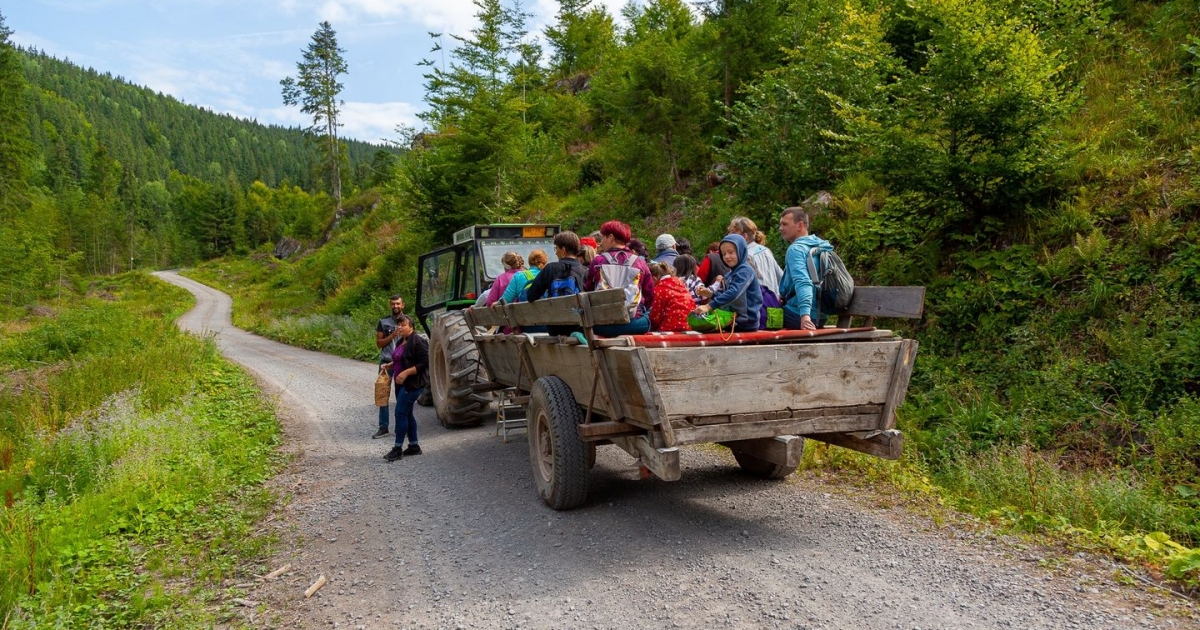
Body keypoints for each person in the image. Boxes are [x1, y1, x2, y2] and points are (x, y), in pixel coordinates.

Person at [584, 220, 656, 336]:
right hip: (634, 325)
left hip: (602, 326)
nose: (601, 242)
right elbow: (649, 296)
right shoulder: (640, 263)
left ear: (611, 238)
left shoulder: (598, 261)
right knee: (646, 315)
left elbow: (588, 290)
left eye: (603, 237)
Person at [778, 206, 834, 330]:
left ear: (800, 225)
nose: (780, 228)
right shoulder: (820, 245)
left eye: (785, 224)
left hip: (799, 315)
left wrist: (805, 316)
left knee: (756, 313)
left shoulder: (796, 249)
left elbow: (803, 282)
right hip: (821, 316)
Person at [527, 231, 589, 336]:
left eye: (556, 249)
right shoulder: (586, 271)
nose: (555, 252)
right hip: (580, 327)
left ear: (563, 250)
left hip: (556, 329)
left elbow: (531, 295)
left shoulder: (550, 268)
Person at [694, 235, 761, 332]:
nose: (727, 257)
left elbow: (734, 293)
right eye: (724, 254)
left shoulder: (745, 271)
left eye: (730, 252)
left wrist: (709, 306)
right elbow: (726, 295)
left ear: (740, 251)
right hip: (731, 319)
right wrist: (710, 294)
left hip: (745, 322)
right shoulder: (730, 273)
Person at [385, 315, 428, 461]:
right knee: (407, 413)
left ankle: (397, 449)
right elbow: (400, 358)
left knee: (400, 413)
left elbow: (424, 363)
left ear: (411, 327)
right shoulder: (400, 341)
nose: (400, 328)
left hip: (413, 384)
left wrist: (406, 372)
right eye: (399, 325)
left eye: (404, 325)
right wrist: (391, 365)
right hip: (401, 384)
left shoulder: (418, 342)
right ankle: (414, 446)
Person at [373, 295, 405, 439]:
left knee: (401, 396)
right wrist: (393, 335)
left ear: (402, 305)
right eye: (393, 304)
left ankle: (401, 427)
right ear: (390, 305)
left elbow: (412, 340)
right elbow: (379, 343)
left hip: (402, 363)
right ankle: (383, 427)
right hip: (386, 362)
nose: (395, 306)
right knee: (382, 394)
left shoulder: (408, 321)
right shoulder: (383, 322)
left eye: (398, 303)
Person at [727, 216, 784, 296]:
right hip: (774, 303)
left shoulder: (745, 256)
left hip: (756, 305)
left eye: (732, 232)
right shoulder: (765, 250)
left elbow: (737, 287)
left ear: (744, 236)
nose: (729, 235)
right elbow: (782, 277)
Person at [648, 261, 695, 332]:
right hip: (690, 325)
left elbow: (655, 315)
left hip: (670, 327)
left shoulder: (659, 289)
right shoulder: (680, 283)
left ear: (654, 279)